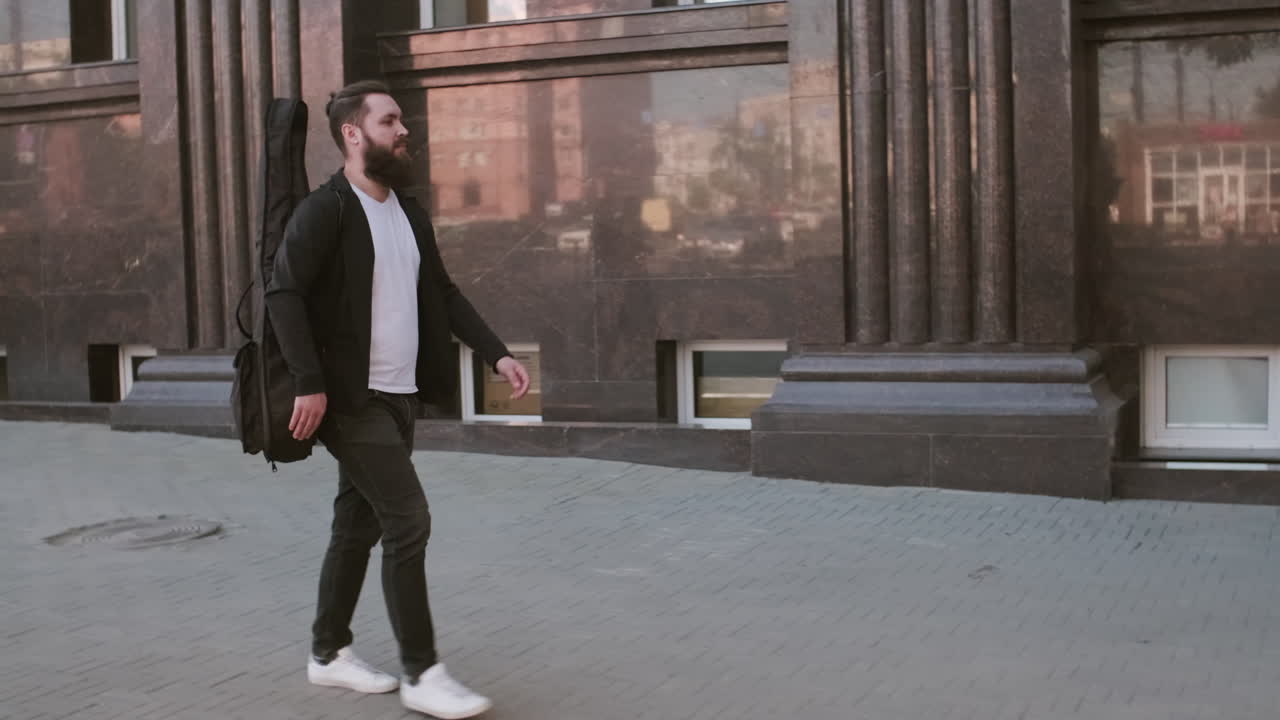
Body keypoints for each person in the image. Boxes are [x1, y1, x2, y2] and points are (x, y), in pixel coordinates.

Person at [266, 79, 530, 719]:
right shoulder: (326, 209)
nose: (403, 129)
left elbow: (442, 292)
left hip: (399, 396)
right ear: (353, 134)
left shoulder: (407, 211)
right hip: (353, 401)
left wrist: (497, 351)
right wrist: (310, 381)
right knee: (408, 521)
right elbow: (284, 293)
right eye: (390, 121)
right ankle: (422, 672)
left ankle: (328, 655)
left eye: (401, 120)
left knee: (355, 526)